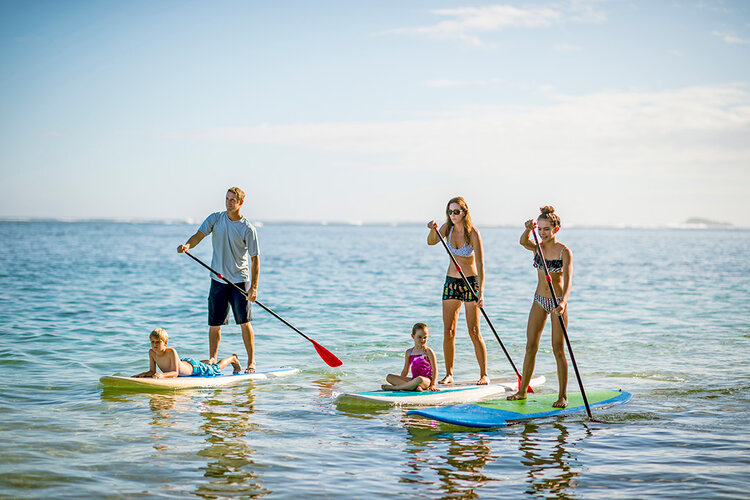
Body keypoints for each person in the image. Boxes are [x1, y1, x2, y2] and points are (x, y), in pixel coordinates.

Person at [177, 187, 260, 373]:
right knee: (214, 324)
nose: (228, 203)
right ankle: (213, 358)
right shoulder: (215, 219)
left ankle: (251, 362)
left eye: (232, 200)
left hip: (239, 281)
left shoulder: (248, 229)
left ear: (240, 203)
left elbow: (255, 260)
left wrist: (253, 288)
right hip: (218, 279)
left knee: (244, 323)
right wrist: (187, 245)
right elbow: (199, 235)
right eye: (227, 199)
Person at [507, 206, 573, 408]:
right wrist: (528, 229)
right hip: (539, 300)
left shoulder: (564, 251)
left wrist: (563, 303)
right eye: (540, 229)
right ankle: (522, 392)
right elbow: (522, 241)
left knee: (558, 349)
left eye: (546, 229)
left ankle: (562, 396)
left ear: (556, 229)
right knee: (530, 346)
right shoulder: (538, 247)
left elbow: (569, 281)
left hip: (557, 302)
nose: (543, 233)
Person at [427, 196, 489, 385]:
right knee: (449, 330)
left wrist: (481, 292)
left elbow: (480, 263)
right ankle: (449, 374)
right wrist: (432, 230)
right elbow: (431, 242)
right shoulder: (447, 228)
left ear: (464, 212)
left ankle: (484, 374)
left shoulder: (473, 234)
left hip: (470, 282)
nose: (452, 215)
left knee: (474, 330)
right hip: (451, 282)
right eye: (450, 211)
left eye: (456, 212)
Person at [133, 328, 241, 378]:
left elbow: (175, 373)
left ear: (165, 343)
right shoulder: (152, 352)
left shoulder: (171, 351)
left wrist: (162, 375)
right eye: (152, 342)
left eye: (158, 342)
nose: (155, 345)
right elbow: (152, 371)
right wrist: (142, 375)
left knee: (215, 369)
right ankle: (208, 361)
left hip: (194, 367)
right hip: (184, 363)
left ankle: (232, 358)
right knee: (208, 364)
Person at [382, 323, 439, 392]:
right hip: (414, 380)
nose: (423, 340)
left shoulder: (428, 351)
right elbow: (405, 370)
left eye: (425, 337)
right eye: (420, 337)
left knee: (419, 379)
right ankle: (414, 387)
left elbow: (435, 369)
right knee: (389, 377)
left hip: (425, 381)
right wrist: (400, 379)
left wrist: (433, 384)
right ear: (413, 336)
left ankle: (396, 388)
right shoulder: (409, 352)